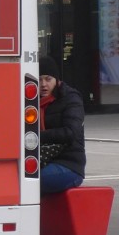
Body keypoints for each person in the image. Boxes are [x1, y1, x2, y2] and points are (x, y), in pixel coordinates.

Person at [38, 56, 86, 194]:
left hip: (69, 165)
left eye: (48, 79)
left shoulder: (71, 98)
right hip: (45, 160)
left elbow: (71, 132)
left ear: (57, 80)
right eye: (39, 79)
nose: (43, 84)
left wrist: (36, 137)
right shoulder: (31, 100)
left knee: (31, 182)